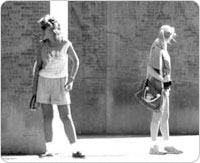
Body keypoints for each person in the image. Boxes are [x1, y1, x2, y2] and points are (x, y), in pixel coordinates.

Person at [32, 14, 85, 158]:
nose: (43, 32)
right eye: (42, 29)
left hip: (61, 83)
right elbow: (38, 67)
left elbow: (76, 61)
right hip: (44, 82)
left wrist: (71, 79)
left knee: (66, 116)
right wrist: (34, 91)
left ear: (53, 29)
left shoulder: (66, 43)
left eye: (45, 29)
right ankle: (49, 150)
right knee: (47, 117)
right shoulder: (42, 44)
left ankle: (75, 150)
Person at [147, 25, 183, 155]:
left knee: (165, 116)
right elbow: (149, 69)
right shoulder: (157, 47)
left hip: (164, 87)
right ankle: (153, 146)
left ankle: (167, 145)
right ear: (169, 36)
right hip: (157, 86)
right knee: (157, 116)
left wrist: (166, 83)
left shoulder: (163, 47)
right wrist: (162, 80)